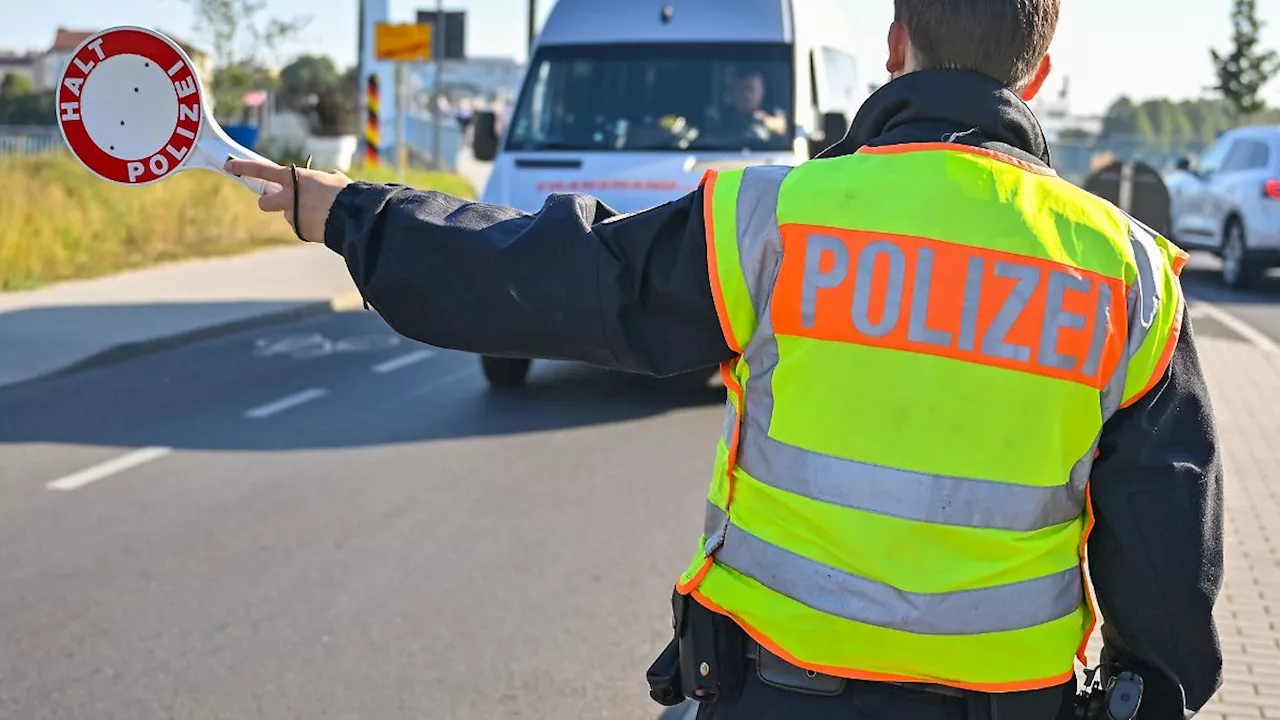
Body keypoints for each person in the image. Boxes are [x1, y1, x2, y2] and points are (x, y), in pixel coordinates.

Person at [225, 0, 1224, 717]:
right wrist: (1151, 684)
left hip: (779, 691)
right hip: (1010, 701)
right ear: (1035, 72)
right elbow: (1164, 556)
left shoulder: (773, 217)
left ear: (892, 44)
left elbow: (556, 276)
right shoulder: (1129, 274)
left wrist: (354, 214)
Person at [716, 69, 788, 141]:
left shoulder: (774, 113)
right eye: (742, 90)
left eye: (752, 90)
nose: (747, 95)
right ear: (733, 92)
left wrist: (766, 121)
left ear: (762, 92)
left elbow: (788, 129)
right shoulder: (720, 117)